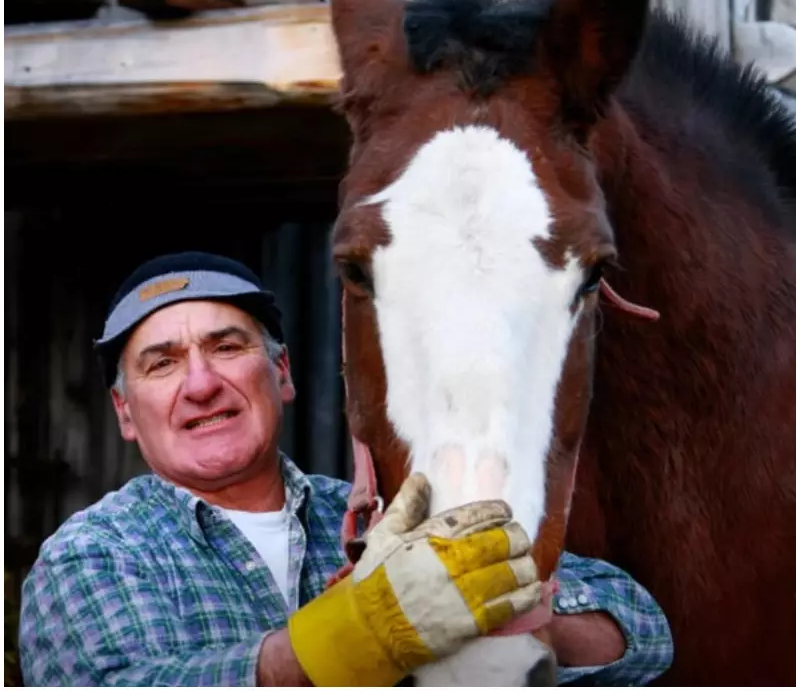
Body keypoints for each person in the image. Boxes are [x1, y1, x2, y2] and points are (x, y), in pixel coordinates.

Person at [18, 251, 673, 686]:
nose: (201, 383)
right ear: (126, 412)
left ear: (281, 374)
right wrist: (355, 633)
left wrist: (511, 623)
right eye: (162, 362)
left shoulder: (391, 509)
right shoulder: (91, 556)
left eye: (227, 347)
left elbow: (643, 627)